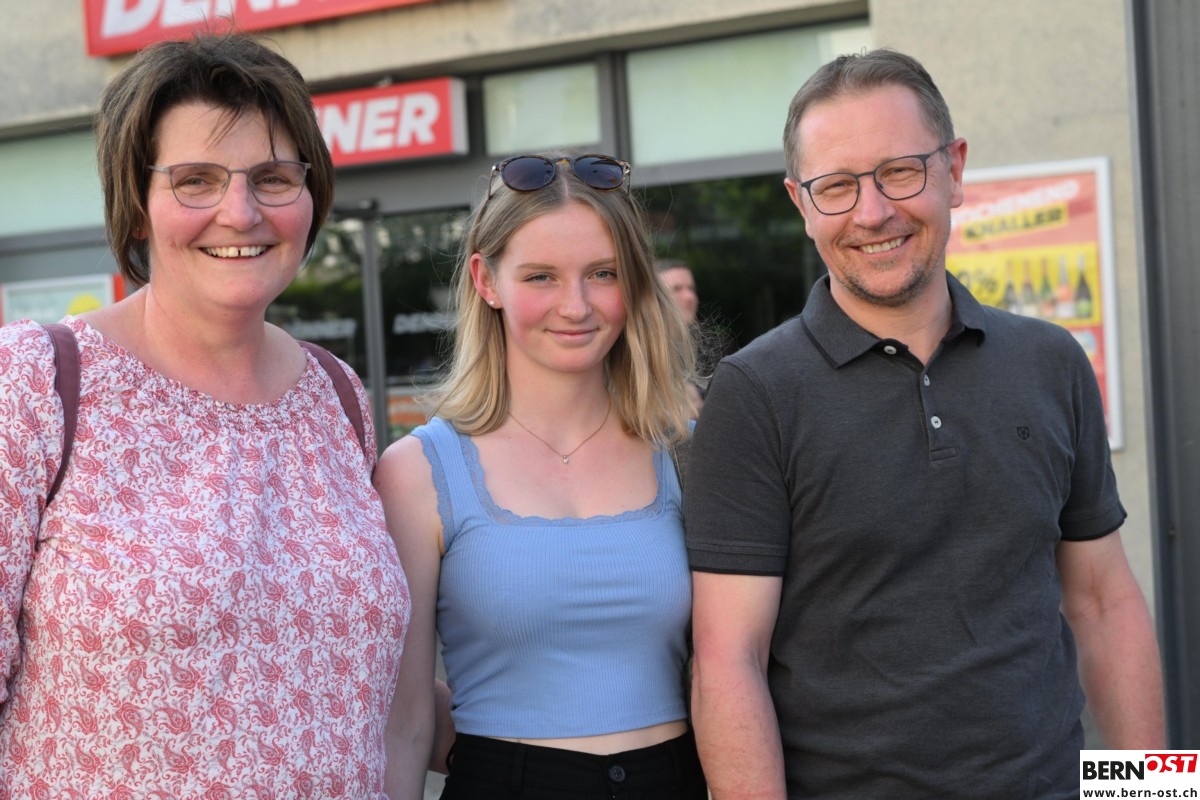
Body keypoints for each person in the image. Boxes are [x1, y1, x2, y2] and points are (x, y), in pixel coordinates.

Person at [684, 48, 1164, 799]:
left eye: (899, 171)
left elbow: (1104, 602)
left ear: (954, 169)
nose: (872, 212)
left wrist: (1153, 792)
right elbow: (726, 662)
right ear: (801, 205)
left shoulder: (1051, 361)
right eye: (836, 187)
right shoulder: (754, 393)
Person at [0, 34, 410, 798]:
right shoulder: (34, 384)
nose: (240, 212)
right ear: (137, 204)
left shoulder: (338, 396)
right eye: (196, 180)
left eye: (273, 178)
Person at [375, 153, 704, 800]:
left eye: (603, 273)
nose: (575, 306)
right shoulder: (418, 472)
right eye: (541, 276)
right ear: (486, 280)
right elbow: (403, 723)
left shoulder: (685, 451)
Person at [655, 259, 705, 416]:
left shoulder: (700, 348)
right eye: (676, 289)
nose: (690, 297)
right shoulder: (635, 352)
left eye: (691, 288)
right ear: (653, 298)